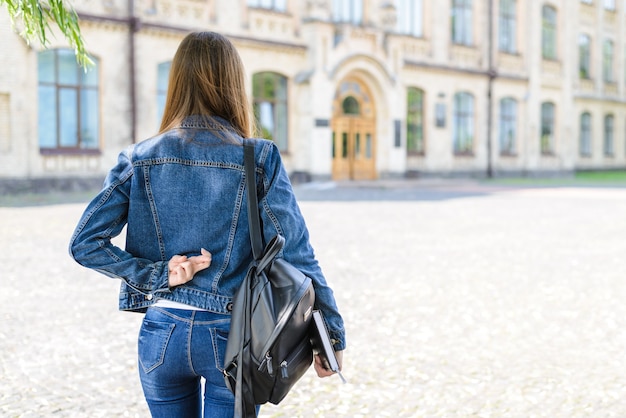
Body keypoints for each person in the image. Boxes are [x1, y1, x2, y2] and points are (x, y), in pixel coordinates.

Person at [69, 31, 345, 418]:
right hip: (232, 336)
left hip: (161, 331)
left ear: (177, 82)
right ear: (233, 83)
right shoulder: (258, 157)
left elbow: (85, 243)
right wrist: (329, 333)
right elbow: (297, 251)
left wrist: (156, 275)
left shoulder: (139, 157)